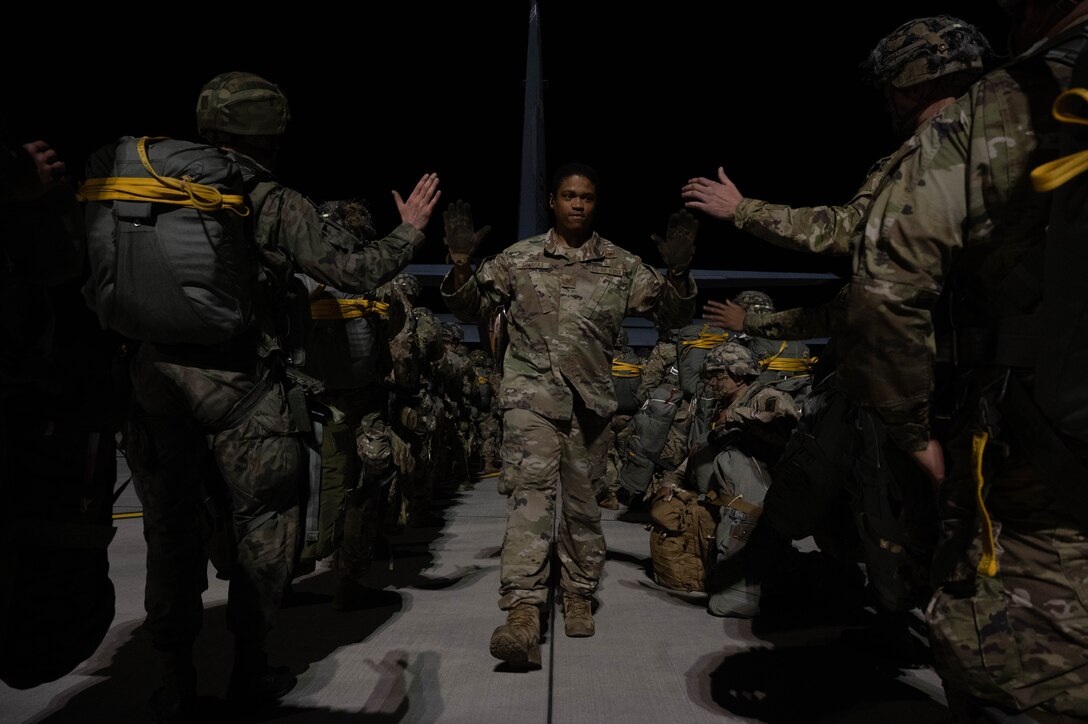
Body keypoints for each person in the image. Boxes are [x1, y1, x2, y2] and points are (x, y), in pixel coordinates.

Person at [126, 71, 440, 720]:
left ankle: (174, 680)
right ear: (270, 134)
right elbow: (354, 270)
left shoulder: (147, 186)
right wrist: (409, 231)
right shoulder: (266, 196)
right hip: (241, 392)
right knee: (265, 528)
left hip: (154, 387)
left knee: (170, 534)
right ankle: (247, 671)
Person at [687, 16, 996, 659]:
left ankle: (922, 636)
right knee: (819, 482)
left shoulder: (945, 147)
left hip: (921, 389)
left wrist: (742, 211)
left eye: (891, 84)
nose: (886, 98)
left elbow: (849, 233)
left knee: (901, 534)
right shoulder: (977, 142)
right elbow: (857, 300)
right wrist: (762, 324)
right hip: (895, 383)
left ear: (915, 79)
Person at [836, 3, 1088, 719]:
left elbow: (879, 282)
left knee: (1017, 647)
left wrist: (912, 430)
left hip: (1041, 437)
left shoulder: (991, 112)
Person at [439, 162, 697, 667]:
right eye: (568, 195)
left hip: (590, 406)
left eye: (587, 197)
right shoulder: (519, 258)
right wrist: (461, 263)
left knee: (581, 508)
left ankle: (578, 591)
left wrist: (681, 276)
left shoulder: (621, 265)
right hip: (530, 400)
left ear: (595, 204)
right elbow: (469, 308)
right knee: (531, 501)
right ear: (552, 202)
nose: (578, 204)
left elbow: (672, 316)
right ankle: (522, 612)